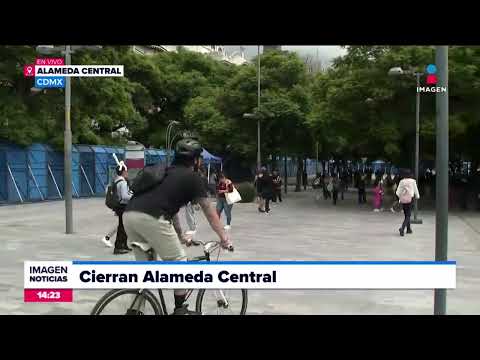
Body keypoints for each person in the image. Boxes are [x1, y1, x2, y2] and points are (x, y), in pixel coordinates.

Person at [123, 138, 232, 315]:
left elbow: (171, 211)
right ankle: (180, 310)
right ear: (196, 160)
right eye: (200, 158)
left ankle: (134, 311)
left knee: (144, 274)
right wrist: (224, 238)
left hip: (129, 216)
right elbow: (210, 212)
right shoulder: (193, 177)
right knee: (179, 263)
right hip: (152, 218)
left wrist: (180, 236)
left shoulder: (165, 171)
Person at [111, 163, 133, 255]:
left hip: (119, 206)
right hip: (123, 206)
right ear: (123, 172)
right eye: (126, 171)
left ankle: (123, 245)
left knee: (123, 226)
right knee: (122, 227)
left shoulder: (116, 181)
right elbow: (124, 196)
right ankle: (119, 247)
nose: (127, 173)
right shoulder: (123, 182)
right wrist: (132, 196)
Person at [396, 169, 420, 237]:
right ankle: (402, 228)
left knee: (406, 214)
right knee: (408, 215)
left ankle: (408, 229)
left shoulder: (402, 181)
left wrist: (400, 197)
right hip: (410, 199)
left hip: (403, 199)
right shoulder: (413, 181)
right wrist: (417, 196)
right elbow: (415, 190)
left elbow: (397, 192)